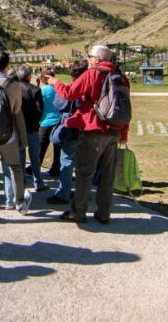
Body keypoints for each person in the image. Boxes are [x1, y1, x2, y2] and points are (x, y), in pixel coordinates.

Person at [44, 45, 130, 224]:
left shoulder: (92, 74)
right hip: (114, 130)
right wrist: (123, 133)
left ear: (97, 59)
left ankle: (78, 212)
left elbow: (68, 94)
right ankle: (104, 214)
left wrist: (55, 83)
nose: (88, 59)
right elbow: (124, 107)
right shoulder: (121, 77)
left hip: (93, 130)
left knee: (84, 173)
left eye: (89, 56)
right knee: (107, 175)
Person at [0, 50, 33, 224]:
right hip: (8, 135)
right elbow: (16, 110)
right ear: (7, 64)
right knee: (15, 167)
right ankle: (20, 203)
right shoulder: (14, 84)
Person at [46, 61, 88, 205]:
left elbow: (59, 105)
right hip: (87, 128)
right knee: (84, 164)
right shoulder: (90, 88)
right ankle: (83, 192)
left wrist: (57, 86)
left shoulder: (72, 88)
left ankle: (64, 193)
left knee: (67, 162)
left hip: (72, 128)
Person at [17, 65, 46, 192]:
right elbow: (40, 110)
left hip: (19, 126)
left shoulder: (14, 88)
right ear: (28, 75)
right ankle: (38, 182)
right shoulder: (35, 90)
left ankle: (22, 179)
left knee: (21, 155)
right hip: (33, 127)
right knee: (35, 156)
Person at [38, 68, 62, 177]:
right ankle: (55, 169)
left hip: (46, 121)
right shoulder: (58, 89)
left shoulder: (44, 90)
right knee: (57, 149)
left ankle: (35, 167)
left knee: (41, 148)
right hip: (58, 121)